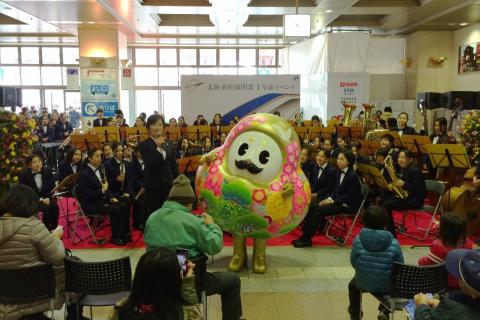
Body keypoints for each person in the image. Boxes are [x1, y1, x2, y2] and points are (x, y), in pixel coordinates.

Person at [144, 174, 243, 320]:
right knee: (233, 281)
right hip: (188, 283)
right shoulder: (193, 221)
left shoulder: (152, 218)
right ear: (189, 203)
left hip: (155, 284)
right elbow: (215, 246)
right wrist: (213, 225)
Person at [0, 185, 86, 320]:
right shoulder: (34, 227)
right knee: (73, 265)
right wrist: (56, 239)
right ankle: (75, 316)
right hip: (36, 292)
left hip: (4, 295)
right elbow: (58, 258)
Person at [293, 151, 362, 247]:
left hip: (347, 204)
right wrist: (329, 198)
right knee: (313, 206)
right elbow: (335, 190)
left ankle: (307, 238)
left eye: (341, 159)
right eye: (338, 158)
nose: (338, 161)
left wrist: (332, 201)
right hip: (338, 200)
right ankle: (305, 234)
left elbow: (349, 196)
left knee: (320, 209)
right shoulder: (339, 171)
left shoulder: (353, 176)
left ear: (348, 162)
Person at [109, 247, 201, 320]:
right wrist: (187, 284)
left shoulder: (120, 311)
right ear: (173, 284)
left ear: (139, 277)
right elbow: (193, 313)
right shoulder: (184, 314)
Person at [348, 206, 404, 320]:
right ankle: (385, 310)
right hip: (386, 286)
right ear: (385, 224)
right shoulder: (394, 243)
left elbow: (353, 262)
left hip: (363, 282)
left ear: (364, 223)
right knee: (393, 286)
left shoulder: (358, 240)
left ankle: (355, 314)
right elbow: (399, 267)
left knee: (352, 287)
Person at [76, 148, 131, 246]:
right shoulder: (84, 174)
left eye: (100, 156)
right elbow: (87, 195)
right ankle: (116, 237)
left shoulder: (100, 169)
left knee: (125, 203)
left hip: (102, 199)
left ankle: (125, 232)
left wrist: (110, 197)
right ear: (89, 158)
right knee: (116, 209)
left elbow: (106, 187)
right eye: (97, 156)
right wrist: (102, 191)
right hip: (90, 204)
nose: (100, 159)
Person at [414, 249, 480, 319]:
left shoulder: (456, 309)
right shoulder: (462, 304)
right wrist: (442, 305)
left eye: (459, 276)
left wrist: (421, 305)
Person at [418, 212, 473, 288]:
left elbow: (428, 264)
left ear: (443, 229)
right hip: (464, 281)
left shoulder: (438, 245)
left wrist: (421, 260)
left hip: (445, 282)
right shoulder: (468, 242)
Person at [139, 114, 179, 219]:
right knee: (155, 216)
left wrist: (177, 180)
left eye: (160, 124)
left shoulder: (169, 143)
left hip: (169, 185)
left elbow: (172, 164)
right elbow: (152, 164)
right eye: (154, 125)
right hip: (153, 187)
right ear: (148, 128)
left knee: (169, 215)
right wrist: (158, 146)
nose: (158, 127)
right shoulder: (144, 145)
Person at [380, 149, 426, 237]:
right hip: (406, 196)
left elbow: (419, 190)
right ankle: (387, 227)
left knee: (386, 205)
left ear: (411, 159)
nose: (400, 159)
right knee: (382, 201)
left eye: (403, 158)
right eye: (399, 157)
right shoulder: (404, 169)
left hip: (415, 200)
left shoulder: (415, 171)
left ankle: (391, 232)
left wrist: (404, 184)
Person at [19, 154, 59, 231]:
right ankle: (46, 229)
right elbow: (26, 192)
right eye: (34, 162)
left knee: (55, 207)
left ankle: (54, 227)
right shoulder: (24, 175)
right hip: (32, 200)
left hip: (46, 197)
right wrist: (40, 199)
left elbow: (51, 187)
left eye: (39, 161)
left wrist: (48, 198)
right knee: (47, 209)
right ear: (29, 165)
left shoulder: (47, 171)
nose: (38, 164)